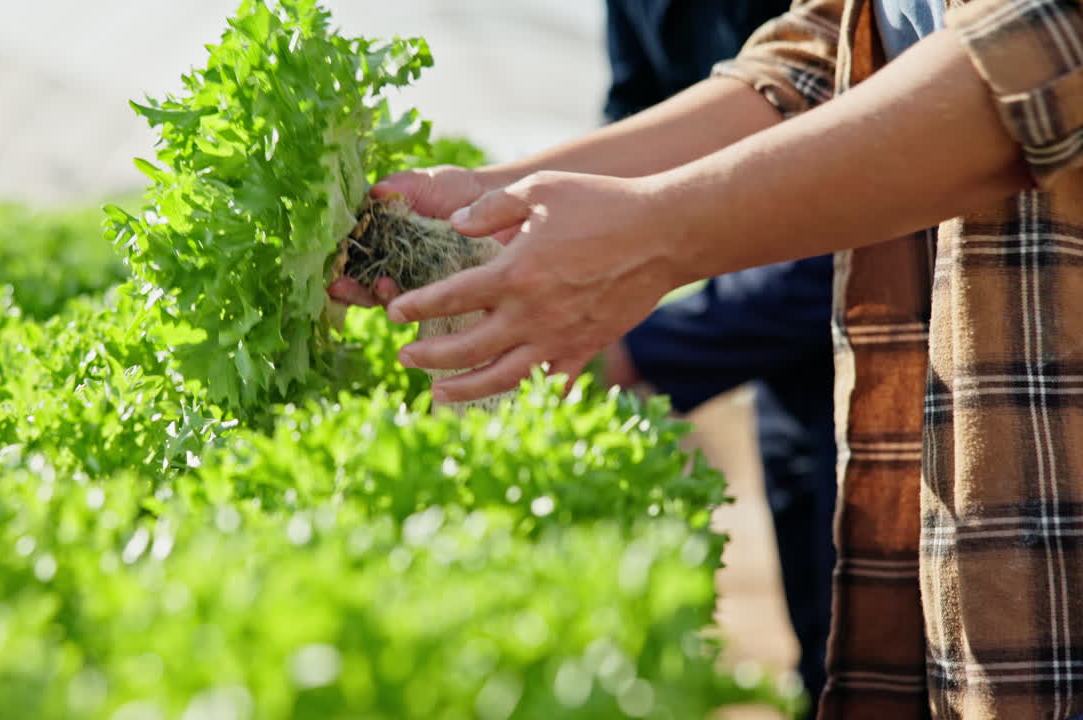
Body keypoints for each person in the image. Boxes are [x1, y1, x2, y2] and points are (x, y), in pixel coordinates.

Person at [331, 1, 1083, 717]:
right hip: (941, 449)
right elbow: (829, 54)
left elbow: (1039, 54)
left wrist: (652, 240)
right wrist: (491, 204)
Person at [603, 1, 834, 715]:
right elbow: (634, 114)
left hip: (896, 341)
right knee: (831, 647)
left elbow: (849, 211)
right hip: (782, 369)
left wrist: (636, 348)